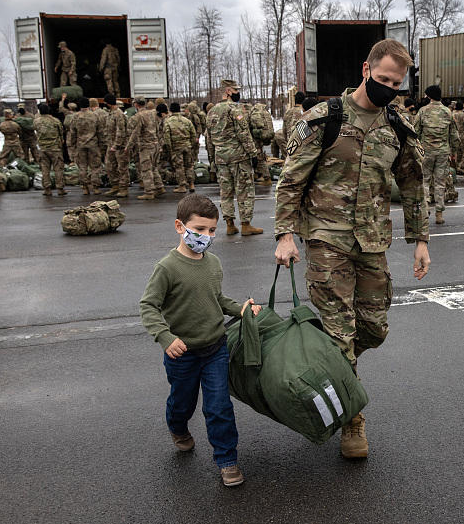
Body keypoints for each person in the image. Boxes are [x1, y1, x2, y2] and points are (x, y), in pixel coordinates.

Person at [274, 38, 430, 459]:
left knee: (373, 327)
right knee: (341, 332)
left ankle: (326, 357)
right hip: (326, 241)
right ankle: (352, 421)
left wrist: (420, 240)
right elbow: (291, 181)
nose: (389, 89)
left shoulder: (397, 126)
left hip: (372, 241)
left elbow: (414, 186)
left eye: (396, 84)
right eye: (383, 80)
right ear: (365, 70)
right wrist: (285, 235)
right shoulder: (324, 119)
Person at [140, 194, 262, 487]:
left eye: (211, 230)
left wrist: (241, 309)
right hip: (181, 354)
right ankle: (178, 428)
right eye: (199, 229)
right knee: (183, 403)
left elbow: (216, 299)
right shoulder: (167, 268)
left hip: (215, 349)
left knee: (219, 406)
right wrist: (165, 337)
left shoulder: (214, 263)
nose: (206, 236)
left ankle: (227, 460)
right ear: (180, 226)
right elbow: (148, 306)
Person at [206, 80, 262, 235]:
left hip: (221, 159)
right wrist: (253, 153)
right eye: (236, 90)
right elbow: (243, 133)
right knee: (244, 191)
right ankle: (246, 224)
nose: (238, 93)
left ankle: (230, 224)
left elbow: (208, 138)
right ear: (229, 91)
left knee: (226, 192)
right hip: (238, 157)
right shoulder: (235, 109)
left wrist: (212, 159)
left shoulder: (212, 111)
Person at [414, 85, 461, 225]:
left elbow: (415, 132)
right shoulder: (448, 112)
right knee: (440, 183)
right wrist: (454, 152)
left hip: (426, 152)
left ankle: (426, 208)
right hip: (443, 152)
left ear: (428, 96)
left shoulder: (422, 111)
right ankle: (439, 213)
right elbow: (454, 135)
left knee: (425, 181)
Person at [125, 97, 165, 200]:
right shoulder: (153, 114)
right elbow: (159, 129)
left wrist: (129, 146)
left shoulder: (139, 116)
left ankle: (149, 192)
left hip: (146, 146)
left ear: (136, 105)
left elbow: (134, 131)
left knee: (146, 169)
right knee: (153, 167)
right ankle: (159, 187)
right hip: (155, 144)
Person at [68, 98, 102, 195]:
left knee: (82, 167)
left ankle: (85, 187)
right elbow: (100, 131)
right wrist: (101, 144)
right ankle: (95, 187)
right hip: (93, 144)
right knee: (95, 166)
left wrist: (72, 145)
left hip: (80, 144)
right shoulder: (95, 116)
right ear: (89, 105)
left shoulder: (75, 117)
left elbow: (73, 133)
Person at [164, 102, 198, 194]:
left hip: (176, 147)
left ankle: (182, 185)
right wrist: (190, 144)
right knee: (189, 165)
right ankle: (191, 184)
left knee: (179, 167)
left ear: (171, 110)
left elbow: (167, 137)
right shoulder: (186, 120)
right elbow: (193, 134)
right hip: (187, 146)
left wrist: (170, 149)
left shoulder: (168, 121)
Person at [34, 103, 67, 196]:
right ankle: (60, 188)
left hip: (43, 148)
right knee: (58, 168)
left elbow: (36, 131)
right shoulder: (55, 121)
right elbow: (61, 133)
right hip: (55, 148)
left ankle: (47, 189)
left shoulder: (36, 121)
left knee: (45, 169)